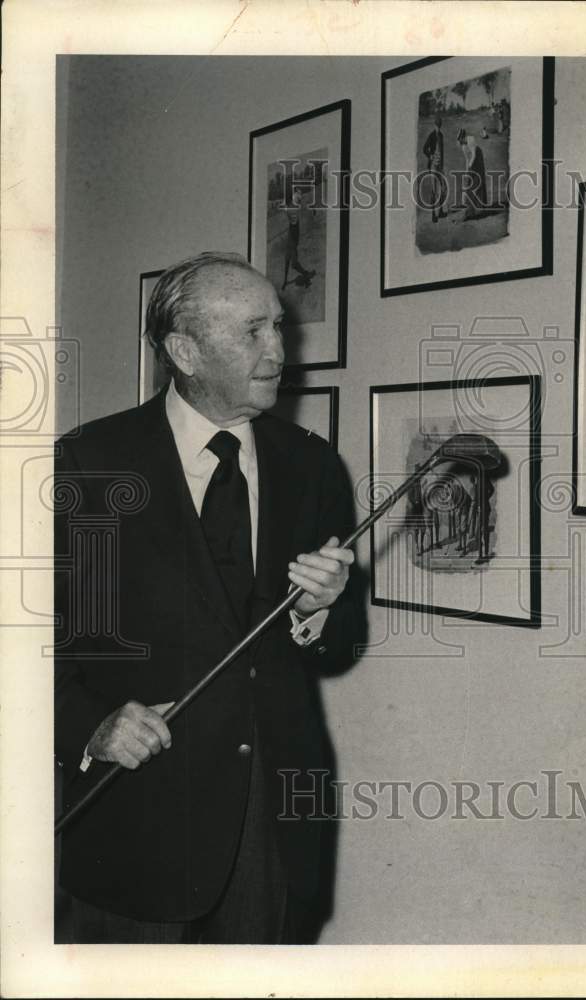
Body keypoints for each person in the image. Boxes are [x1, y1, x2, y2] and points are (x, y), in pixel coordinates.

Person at [54, 251, 364, 944]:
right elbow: (27, 643)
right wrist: (89, 726)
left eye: (278, 328)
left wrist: (320, 612)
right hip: (133, 816)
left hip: (271, 823)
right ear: (184, 350)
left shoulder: (311, 465)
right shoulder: (89, 464)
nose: (279, 351)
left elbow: (343, 644)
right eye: (252, 332)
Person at [281, 187, 315, 289]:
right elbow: (292, 219)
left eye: (301, 194)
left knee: (293, 264)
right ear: (294, 194)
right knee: (287, 260)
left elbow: (294, 221)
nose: (300, 195)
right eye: (298, 193)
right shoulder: (292, 206)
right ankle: (285, 281)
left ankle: (305, 275)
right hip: (290, 238)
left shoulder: (295, 206)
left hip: (294, 239)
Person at [455, 128, 488, 221]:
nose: (460, 141)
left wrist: (470, 167)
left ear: (463, 137)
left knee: (478, 182)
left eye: (460, 139)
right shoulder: (463, 146)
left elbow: (473, 154)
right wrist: (467, 171)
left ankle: (479, 207)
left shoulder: (471, 139)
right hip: (471, 163)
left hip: (478, 160)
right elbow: (467, 159)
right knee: (470, 184)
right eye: (459, 141)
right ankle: (471, 209)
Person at [421, 115, 446, 223]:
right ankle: (433, 215)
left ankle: (440, 212)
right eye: (437, 125)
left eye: (440, 126)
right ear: (435, 125)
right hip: (433, 166)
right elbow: (424, 149)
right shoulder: (432, 135)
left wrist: (442, 164)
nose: (438, 128)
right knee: (434, 190)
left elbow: (442, 151)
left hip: (440, 166)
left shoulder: (441, 135)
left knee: (442, 188)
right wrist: (430, 155)